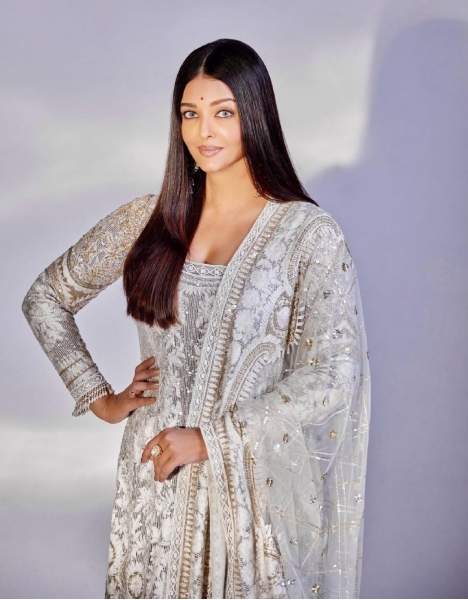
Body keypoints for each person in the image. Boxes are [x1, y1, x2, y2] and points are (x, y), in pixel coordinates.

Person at [22, 38, 371, 599]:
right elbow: (45, 298)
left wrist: (211, 439)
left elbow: (335, 373)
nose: (204, 131)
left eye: (223, 113)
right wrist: (101, 398)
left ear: (255, 114)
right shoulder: (150, 220)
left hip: (250, 490)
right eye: (190, 114)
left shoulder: (306, 235)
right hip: (155, 485)